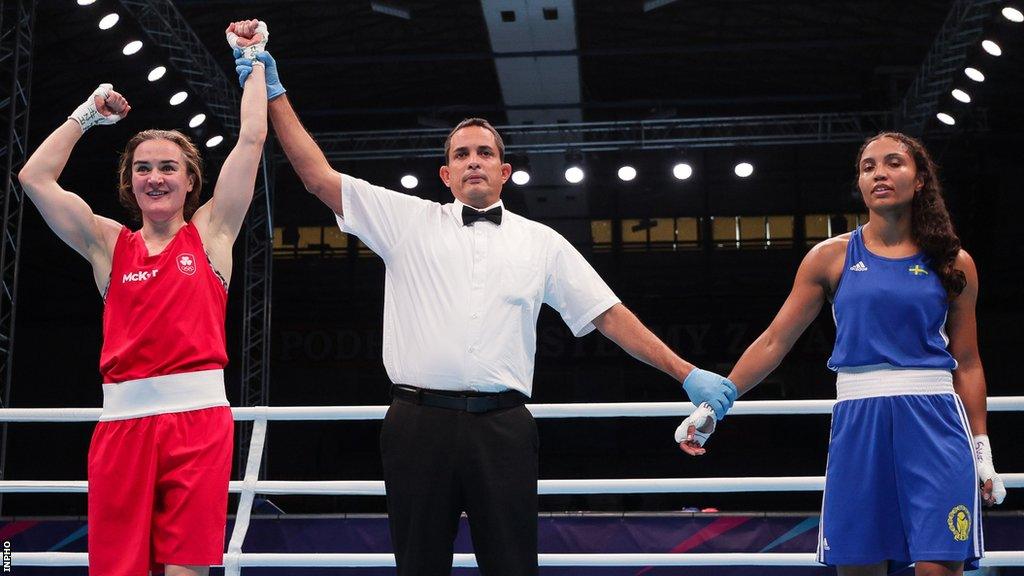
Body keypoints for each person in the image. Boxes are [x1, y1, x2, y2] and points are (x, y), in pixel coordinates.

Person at [231, 39, 738, 575]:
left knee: (512, 566)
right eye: (461, 155)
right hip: (416, 423)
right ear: (445, 175)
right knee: (419, 566)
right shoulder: (407, 221)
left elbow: (608, 313)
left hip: (503, 428)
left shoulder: (541, 242)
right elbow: (317, 177)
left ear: (506, 171)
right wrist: (275, 91)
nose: (474, 161)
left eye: (485, 153)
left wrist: (685, 373)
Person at [676, 132, 1005, 576]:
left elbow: (967, 361)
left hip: (936, 423)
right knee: (859, 567)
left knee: (939, 568)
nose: (880, 174)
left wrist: (981, 447)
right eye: (869, 167)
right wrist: (717, 403)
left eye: (894, 163)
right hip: (859, 420)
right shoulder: (829, 258)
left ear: (921, 179)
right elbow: (776, 339)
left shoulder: (953, 261)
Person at [17, 19, 269, 576]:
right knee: (117, 570)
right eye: (143, 168)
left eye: (168, 167)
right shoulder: (107, 244)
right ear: (129, 181)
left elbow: (251, 140)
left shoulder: (212, 234)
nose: (155, 177)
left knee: (186, 570)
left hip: (199, 420)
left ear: (190, 180)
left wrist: (252, 62)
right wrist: (87, 114)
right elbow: (34, 177)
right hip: (123, 426)